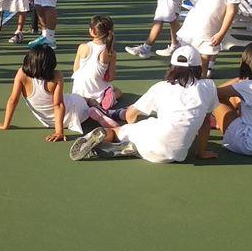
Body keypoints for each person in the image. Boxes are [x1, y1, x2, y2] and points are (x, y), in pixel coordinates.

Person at [70, 45, 218, 163]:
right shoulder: (209, 86)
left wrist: (132, 124)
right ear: (199, 67)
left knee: (118, 132)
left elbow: (130, 114)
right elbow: (205, 122)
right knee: (153, 134)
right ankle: (132, 148)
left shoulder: (161, 87)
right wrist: (202, 152)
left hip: (156, 138)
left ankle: (119, 141)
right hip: (176, 155)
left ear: (172, 67)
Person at [0, 45, 89, 142]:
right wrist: (59, 132)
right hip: (72, 112)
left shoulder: (21, 74)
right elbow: (58, 104)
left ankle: (91, 104)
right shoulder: (56, 75)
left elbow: (13, 100)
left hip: (49, 122)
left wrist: (5, 125)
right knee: (80, 99)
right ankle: (92, 105)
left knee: (79, 98)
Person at [72, 15, 121, 110]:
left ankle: (90, 101)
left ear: (93, 31)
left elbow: (75, 69)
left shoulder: (82, 47)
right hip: (97, 92)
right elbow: (111, 77)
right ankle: (105, 99)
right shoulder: (110, 53)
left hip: (79, 93)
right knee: (118, 91)